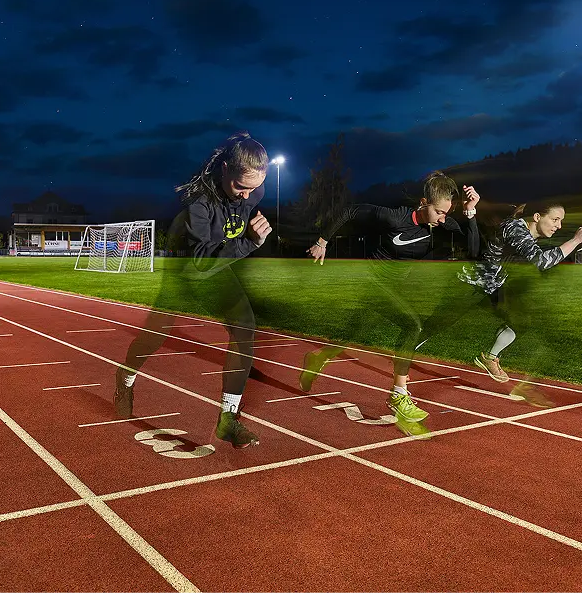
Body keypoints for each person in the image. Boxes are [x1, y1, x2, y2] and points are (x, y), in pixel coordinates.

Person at [114, 131, 271, 448]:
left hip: (216, 267)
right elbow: (200, 263)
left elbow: (221, 249)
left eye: (254, 189)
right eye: (241, 187)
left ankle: (228, 420)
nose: (246, 196)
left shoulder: (253, 191)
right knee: (155, 335)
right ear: (225, 169)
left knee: (245, 327)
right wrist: (249, 242)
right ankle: (125, 376)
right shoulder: (197, 203)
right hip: (186, 270)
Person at [298, 171, 480, 437]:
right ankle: (399, 395)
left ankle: (317, 358)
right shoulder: (395, 217)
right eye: (440, 212)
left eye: (446, 213)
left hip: (391, 289)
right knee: (413, 326)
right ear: (424, 203)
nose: (443, 218)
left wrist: (470, 213)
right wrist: (322, 241)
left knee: (352, 335)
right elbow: (350, 211)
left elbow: (474, 250)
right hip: (372, 282)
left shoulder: (442, 224)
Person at [454, 203, 582, 392]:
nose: (559, 226)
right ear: (537, 217)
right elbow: (541, 262)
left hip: (492, 284)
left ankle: (490, 357)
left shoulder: (523, 230)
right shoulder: (515, 228)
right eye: (555, 219)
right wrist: (576, 240)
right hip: (474, 283)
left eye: (561, 221)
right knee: (433, 326)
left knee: (521, 319)